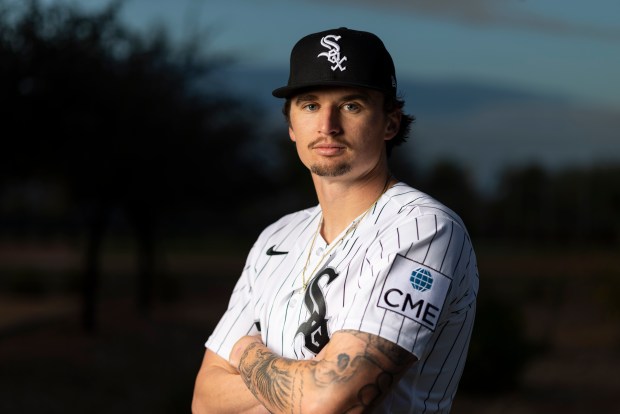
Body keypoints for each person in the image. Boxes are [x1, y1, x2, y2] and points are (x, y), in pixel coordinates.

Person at [192, 27, 479, 414]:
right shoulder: (277, 236)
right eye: (310, 105)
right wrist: (307, 379)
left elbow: (329, 403)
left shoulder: (422, 228)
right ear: (291, 126)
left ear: (390, 123)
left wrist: (245, 352)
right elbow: (206, 400)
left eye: (351, 105)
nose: (327, 125)